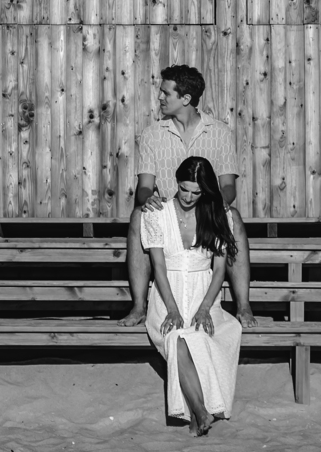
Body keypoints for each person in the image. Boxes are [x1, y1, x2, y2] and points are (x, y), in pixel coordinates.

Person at [118, 65, 256, 329]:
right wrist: (147, 199)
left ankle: (244, 305)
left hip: (205, 212)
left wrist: (219, 203)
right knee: (138, 215)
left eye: (165, 93)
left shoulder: (220, 133)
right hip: (169, 214)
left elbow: (228, 186)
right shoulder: (152, 134)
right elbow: (145, 186)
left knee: (234, 219)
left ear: (185, 99)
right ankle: (138, 306)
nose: (159, 98)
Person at [142, 156, 242, 435]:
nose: (187, 197)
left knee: (194, 336)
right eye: (183, 188)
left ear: (206, 191)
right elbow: (158, 266)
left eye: (196, 192)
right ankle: (200, 411)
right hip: (167, 294)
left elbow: (219, 269)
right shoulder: (157, 212)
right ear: (176, 182)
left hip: (203, 295)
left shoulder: (216, 215)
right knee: (175, 336)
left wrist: (204, 308)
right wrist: (172, 310)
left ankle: (199, 414)